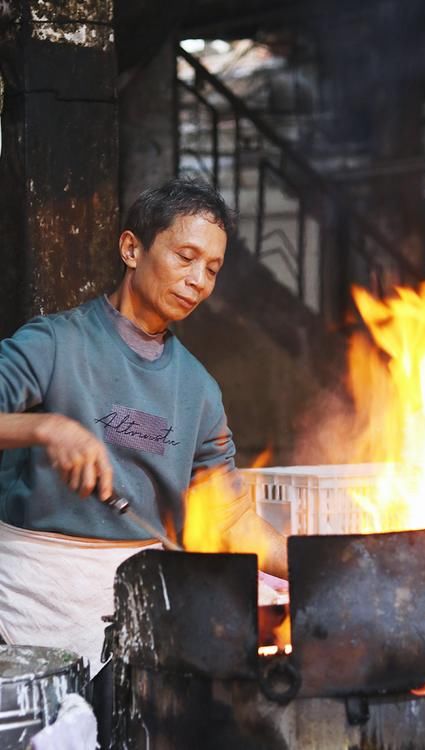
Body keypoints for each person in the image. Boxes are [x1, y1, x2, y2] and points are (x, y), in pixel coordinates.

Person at [0, 177, 287, 745]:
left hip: (138, 614)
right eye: (186, 257)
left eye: (212, 268)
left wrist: (313, 565)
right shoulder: (54, 344)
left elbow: (229, 522)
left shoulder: (199, 391)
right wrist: (45, 426)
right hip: (31, 607)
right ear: (132, 249)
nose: (198, 281)